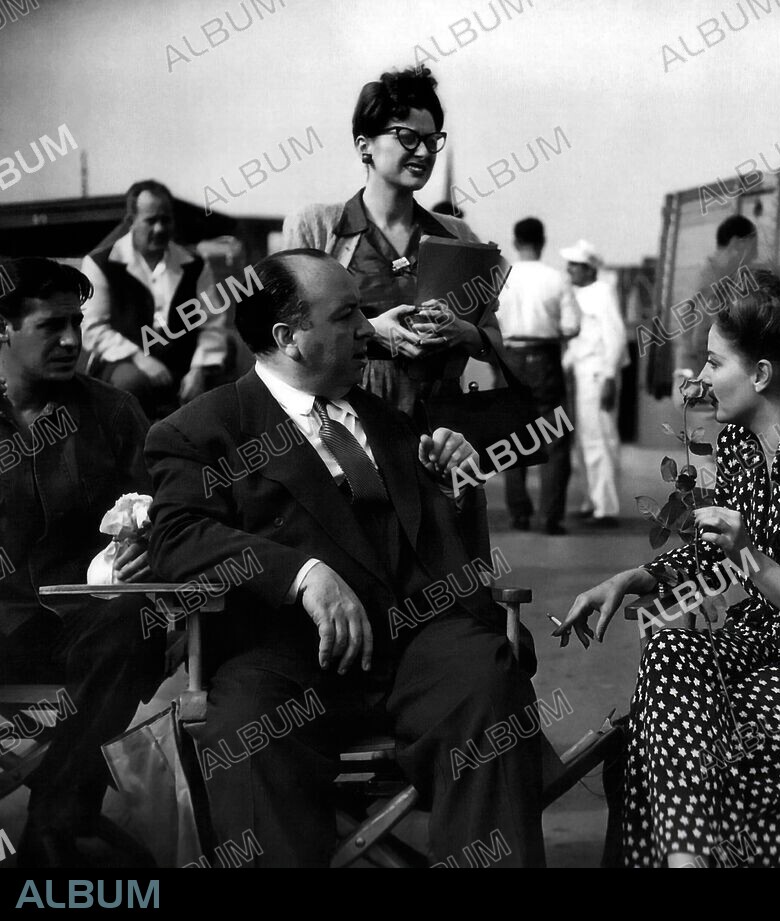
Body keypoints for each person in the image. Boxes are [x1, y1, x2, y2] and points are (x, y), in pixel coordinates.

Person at [144, 249, 546, 867]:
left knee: (487, 681)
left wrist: (454, 486)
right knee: (244, 737)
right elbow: (177, 537)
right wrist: (300, 574)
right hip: (282, 660)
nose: (368, 329)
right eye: (347, 315)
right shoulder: (203, 430)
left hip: (414, 644)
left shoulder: (390, 422)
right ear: (289, 338)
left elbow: (437, 546)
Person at [556, 270, 780, 867]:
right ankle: (687, 861)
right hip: (773, 652)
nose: (699, 379)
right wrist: (635, 579)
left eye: (713, 362)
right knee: (671, 654)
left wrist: (748, 553)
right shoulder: (742, 448)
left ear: (759, 374)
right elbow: (713, 554)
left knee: (670, 740)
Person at [0, 258, 164, 866]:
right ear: (3, 328)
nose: (72, 340)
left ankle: (56, 817)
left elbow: (162, 514)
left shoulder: (114, 414)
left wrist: (147, 549)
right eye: (52, 326)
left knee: (137, 623)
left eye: (77, 322)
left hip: (85, 627)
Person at [282, 66, 502, 419]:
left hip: (438, 435)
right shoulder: (316, 228)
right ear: (364, 146)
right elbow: (287, 336)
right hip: (344, 427)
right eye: (407, 137)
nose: (425, 152)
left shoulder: (457, 235)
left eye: (432, 141)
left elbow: (493, 340)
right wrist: (369, 331)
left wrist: (461, 332)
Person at [671, 215, 780, 430]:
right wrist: (709, 379)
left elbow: (776, 280)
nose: (755, 254)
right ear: (736, 245)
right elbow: (702, 341)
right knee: (719, 456)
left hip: (704, 389)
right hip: (703, 394)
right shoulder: (712, 285)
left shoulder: (723, 278)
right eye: (753, 248)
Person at [80, 180, 230, 418]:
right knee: (132, 383)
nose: (160, 229)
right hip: (121, 362)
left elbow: (212, 324)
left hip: (182, 363)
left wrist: (199, 368)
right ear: (131, 221)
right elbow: (94, 328)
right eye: (151, 221)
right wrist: (141, 359)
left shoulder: (194, 264)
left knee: (220, 388)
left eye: (166, 219)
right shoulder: (100, 264)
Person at [496, 218, 580, 534]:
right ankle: (550, 516)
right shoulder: (557, 279)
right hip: (545, 357)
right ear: (542, 242)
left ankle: (518, 512)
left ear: (516, 242)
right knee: (556, 439)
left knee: (511, 438)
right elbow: (572, 326)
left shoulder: (501, 277)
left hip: (509, 358)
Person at [560, 240, 627, 528]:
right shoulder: (578, 293)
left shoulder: (602, 293)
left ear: (589, 268)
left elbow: (616, 336)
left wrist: (610, 375)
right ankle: (592, 501)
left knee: (601, 439)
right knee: (585, 441)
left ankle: (605, 507)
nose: (569, 269)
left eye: (574, 265)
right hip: (582, 374)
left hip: (598, 375)